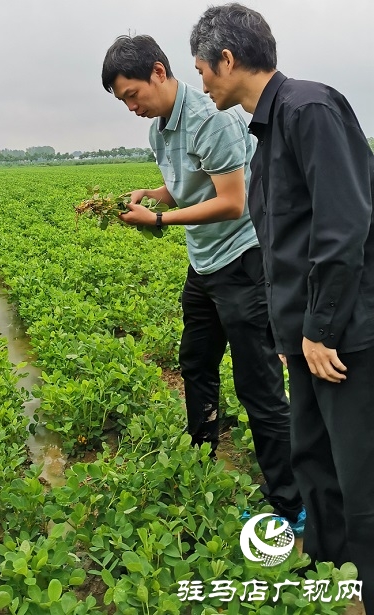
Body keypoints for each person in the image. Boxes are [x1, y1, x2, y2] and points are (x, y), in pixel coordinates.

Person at [190, 4, 374, 610]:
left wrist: (320, 328)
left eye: (203, 69)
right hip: (303, 340)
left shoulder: (308, 109)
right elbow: (285, 241)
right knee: (314, 462)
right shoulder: (264, 127)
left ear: (227, 58)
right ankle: (327, 576)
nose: (204, 84)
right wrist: (292, 334)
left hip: (343, 337)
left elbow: (342, 229)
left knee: (360, 480)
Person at [101, 35, 305, 532]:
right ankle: (200, 465)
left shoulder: (211, 118)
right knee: (195, 361)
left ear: (157, 71)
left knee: (257, 382)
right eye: (121, 100)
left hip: (241, 261)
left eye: (132, 94)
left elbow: (232, 200)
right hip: (204, 264)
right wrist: (150, 195)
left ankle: (291, 503)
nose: (131, 106)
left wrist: (158, 222)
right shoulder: (158, 130)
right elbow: (183, 186)